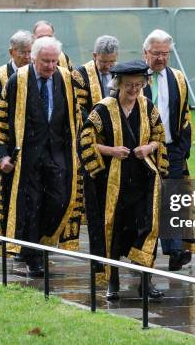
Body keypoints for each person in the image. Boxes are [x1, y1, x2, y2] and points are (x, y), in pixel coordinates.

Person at [80, 60, 168, 300]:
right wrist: (111, 151)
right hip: (111, 184)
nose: (134, 90)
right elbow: (86, 141)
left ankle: (145, 280)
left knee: (147, 227)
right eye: (129, 85)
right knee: (114, 230)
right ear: (117, 84)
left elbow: (160, 136)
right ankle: (112, 280)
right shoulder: (102, 110)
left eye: (139, 85)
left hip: (141, 181)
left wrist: (148, 147)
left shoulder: (147, 107)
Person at [0, 36, 80, 277]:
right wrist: (2, 156)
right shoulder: (17, 81)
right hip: (28, 158)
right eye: (45, 62)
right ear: (33, 58)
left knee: (59, 201)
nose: (50, 66)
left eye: (54, 61)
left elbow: (74, 116)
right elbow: (0, 120)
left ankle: (39, 242)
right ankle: (34, 257)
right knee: (31, 208)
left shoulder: (65, 78)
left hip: (58, 155)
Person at [142, 29, 195, 271]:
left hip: (171, 148)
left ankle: (175, 250)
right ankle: (143, 250)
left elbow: (184, 113)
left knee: (171, 200)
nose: (161, 59)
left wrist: (182, 148)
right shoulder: (134, 76)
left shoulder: (177, 78)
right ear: (146, 53)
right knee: (148, 201)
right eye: (156, 54)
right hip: (143, 150)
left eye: (165, 54)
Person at [0, 30, 33, 240]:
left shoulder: (34, 73)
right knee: (5, 195)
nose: (28, 57)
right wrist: (0, 151)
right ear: (12, 52)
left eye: (31, 51)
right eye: (23, 52)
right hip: (5, 143)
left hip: (29, 143)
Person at [72, 35, 118, 261]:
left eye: (112, 62)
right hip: (91, 145)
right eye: (104, 62)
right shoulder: (80, 76)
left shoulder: (119, 74)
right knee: (95, 203)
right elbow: (79, 111)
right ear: (94, 56)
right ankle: (99, 254)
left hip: (118, 147)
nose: (108, 67)